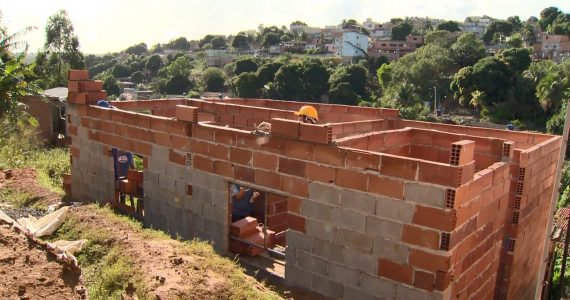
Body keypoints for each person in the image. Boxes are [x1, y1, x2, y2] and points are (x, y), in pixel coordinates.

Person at [252, 105, 319, 135]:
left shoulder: (308, 133)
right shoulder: (299, 129)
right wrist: (270, 126)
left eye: (302, 117)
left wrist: (270, 127)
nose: (299, 119)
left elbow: (289, 132)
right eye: (299, 116)